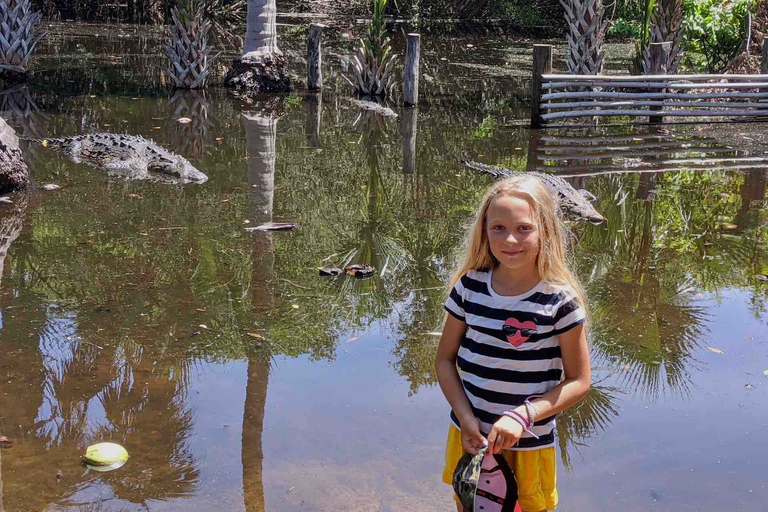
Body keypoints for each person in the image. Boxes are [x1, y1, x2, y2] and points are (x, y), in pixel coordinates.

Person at [435, 175, 591, 512]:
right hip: (469, 437)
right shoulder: (469, 288)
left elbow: (579, 381)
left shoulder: (559, 302)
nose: (510, 239)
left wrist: (523, 416)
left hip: (529, 445)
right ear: (484, 231)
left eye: (524, 228)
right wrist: (465, 418)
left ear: (545, 230)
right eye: (498, 228)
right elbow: (444, 362)